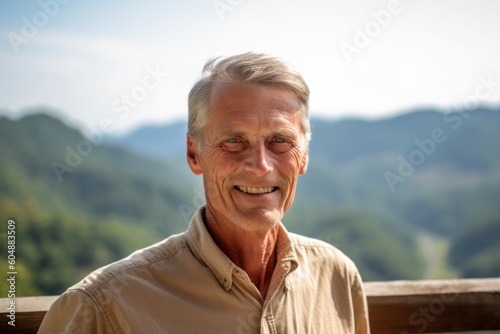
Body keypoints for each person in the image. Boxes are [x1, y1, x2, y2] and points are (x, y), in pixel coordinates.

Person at [38, 52, 370, 333]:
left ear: (304, 157)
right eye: (234, 141)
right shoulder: (103, 307)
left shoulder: (336, 275)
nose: (260, 165)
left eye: (280, 141)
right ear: (194, 153)